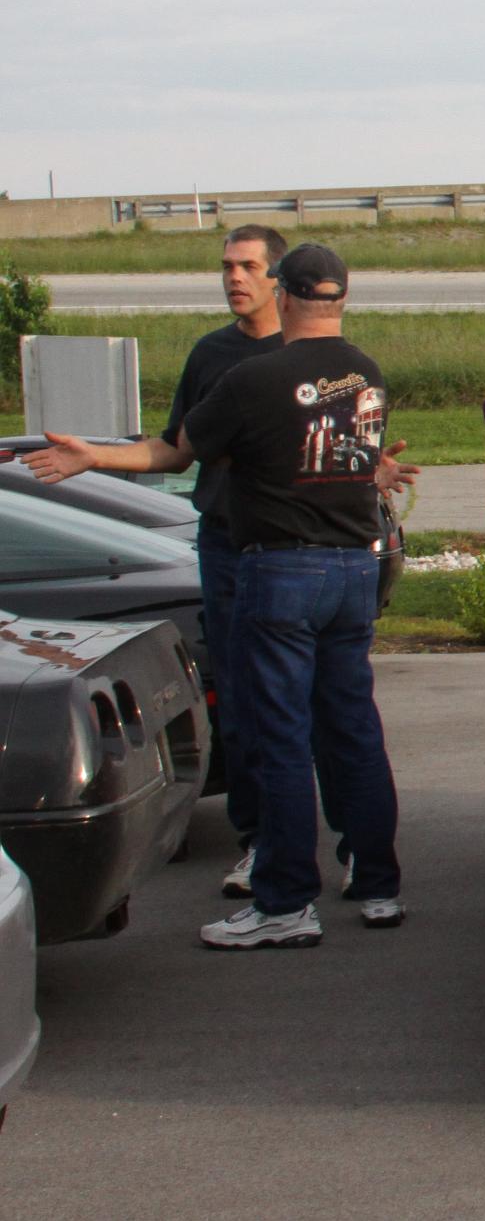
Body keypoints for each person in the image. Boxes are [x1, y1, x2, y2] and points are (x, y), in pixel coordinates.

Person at [26, 243, 408, 949]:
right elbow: (339, 457)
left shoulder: (252, 378)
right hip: (353, 568)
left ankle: (286, 902)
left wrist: (92, 455)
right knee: (352, 726)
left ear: (284, 295)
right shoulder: (367, 374)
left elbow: (175, 452)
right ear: (342, 297)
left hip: (283, 569)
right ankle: (378, 885)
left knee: (279, 736)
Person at [164, 225, 289, 893]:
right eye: (226, 267)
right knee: (240, 703)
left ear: (277, 278)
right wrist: (92, 455)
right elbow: (178, 449)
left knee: (313, 700)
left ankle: (353, 844)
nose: (234, 278)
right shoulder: (210, 355)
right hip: (225, 546)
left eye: (247, 266)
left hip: (294, 546)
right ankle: (259, 841)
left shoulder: (305, 354)